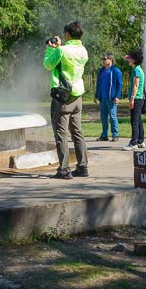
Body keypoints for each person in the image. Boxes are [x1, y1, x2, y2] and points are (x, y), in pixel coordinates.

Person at [43, 21, 89, 179]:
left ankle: (64, 169)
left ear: (68, 34)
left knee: (61, 133)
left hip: (63, 96)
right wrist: (59, 48)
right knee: (77, 132)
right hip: (77, 96)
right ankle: (82, 167)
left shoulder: (61, 50)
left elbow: (48, 65)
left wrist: (50, 48)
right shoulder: (83, 50)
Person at [94, 52, 123, 142]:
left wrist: (117, 96)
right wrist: (96, 96)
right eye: (103, 59)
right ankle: (104, 135)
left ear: (110, 60)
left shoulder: (115, 71)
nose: (103, 60)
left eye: (105, 58)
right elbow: (98, 84)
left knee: (112, 116)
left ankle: (115, 135)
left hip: (112, 97)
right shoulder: (101, 71)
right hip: (102, 98)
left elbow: (119, 84)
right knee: (103, 117)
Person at [122, 50, 146, 151]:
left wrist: (131, 99)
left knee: (134, 121)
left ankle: (133, 143)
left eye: (130, 58)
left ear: (135, 60)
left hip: (136, 98)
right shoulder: (138, 69)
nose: (128, 60)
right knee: (139, 120)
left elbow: (136, 85)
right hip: (139, 98)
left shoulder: (136, 70)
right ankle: (140, 140)